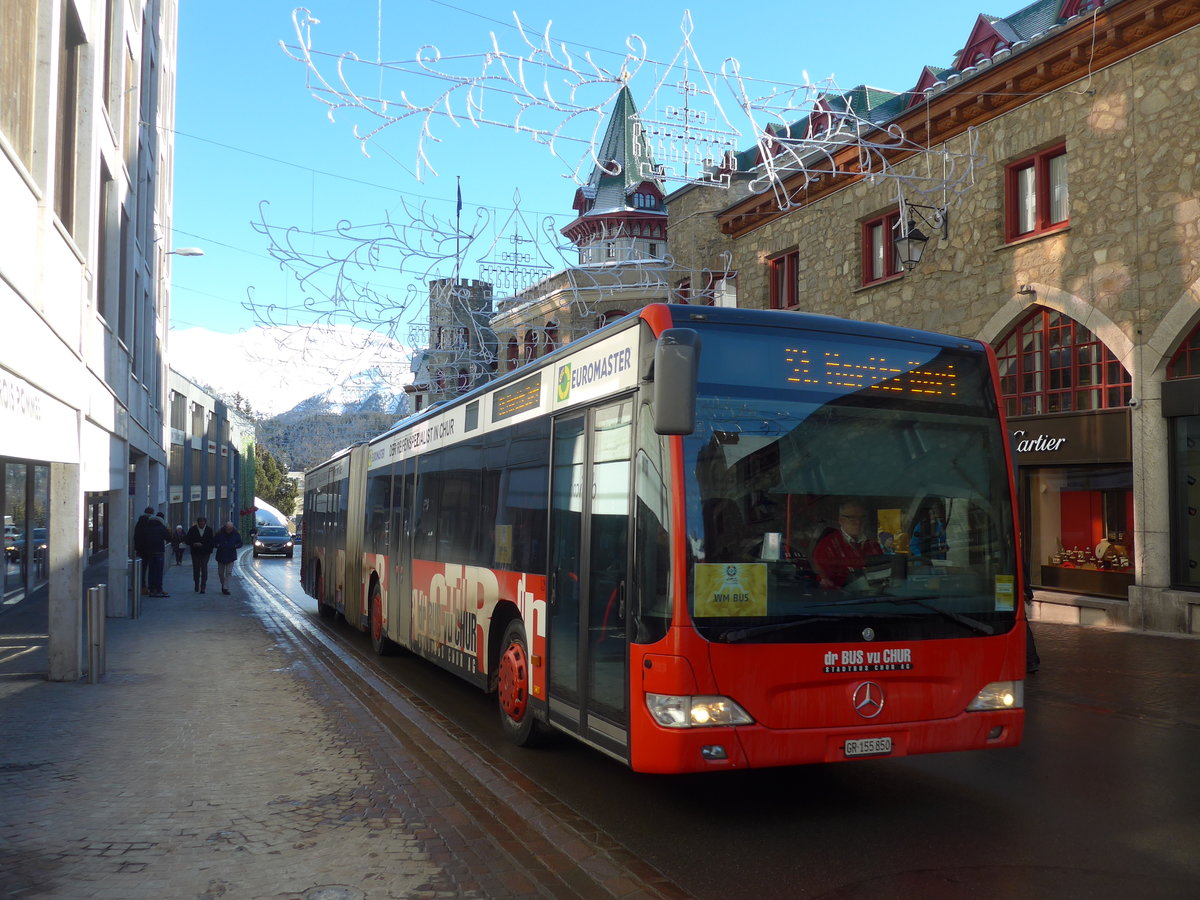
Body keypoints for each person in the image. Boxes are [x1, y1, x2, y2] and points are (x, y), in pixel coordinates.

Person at [813, 500, 884, 590]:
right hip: (844, 600)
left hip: (876, 598)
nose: (858, 522)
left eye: (862, 518)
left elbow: (883, 572)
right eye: (852, 518)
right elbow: (825, 584)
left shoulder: (873, 545)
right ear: (841, 520)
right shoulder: (827, 546)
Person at [133, 507, 171, 597]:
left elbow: (138, 537)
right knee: (157, 570)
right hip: (157, 551)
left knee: (148, 570)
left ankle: (149, 588)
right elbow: (169, 538)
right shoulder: (160, 527)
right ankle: (158, 589)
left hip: (146, 550)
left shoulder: (143, 525)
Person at [186, 516, 215, 593]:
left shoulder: (209, 530)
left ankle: (203, 586)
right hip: (195, 552)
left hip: (206, 552)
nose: (201, 524)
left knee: (204, 568)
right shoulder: (192, 530)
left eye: (203, 523)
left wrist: (203, 545)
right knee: (196, 568)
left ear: (205, 523)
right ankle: (196, 583)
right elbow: (187, 540)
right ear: (197, 523)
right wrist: (194, 544)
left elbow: (211, 541)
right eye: (200, 523)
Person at [213, 521, 243, 595]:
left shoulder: (236, 534)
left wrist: (236, 546)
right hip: (221, 555)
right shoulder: (219, 533)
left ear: (232, 528)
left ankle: (226, 587)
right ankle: (223, 585)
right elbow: (214, 542)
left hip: (231, 555)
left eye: (230, 528)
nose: (229, 530)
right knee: (220, 573)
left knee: (228, 572)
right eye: (227, 528)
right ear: (225, 527)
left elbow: (240, 543)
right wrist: (217, 545)